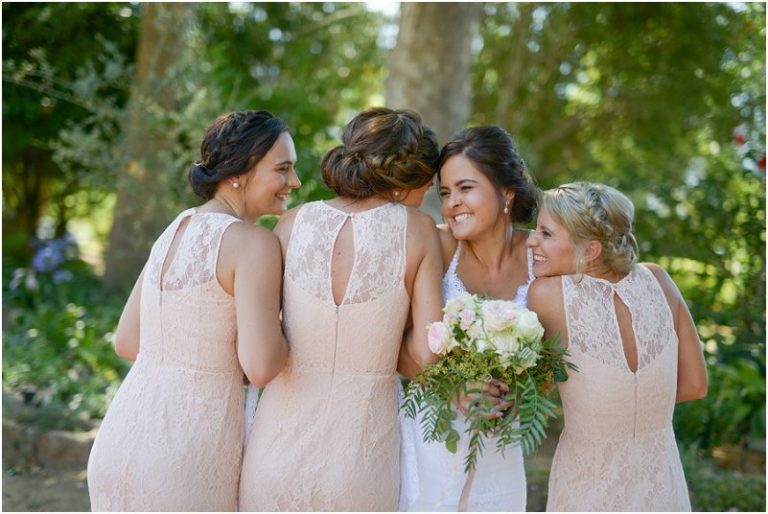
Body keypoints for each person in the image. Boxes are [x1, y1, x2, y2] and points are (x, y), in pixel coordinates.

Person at [87, 110, 299, 511]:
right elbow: (261, 366)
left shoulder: (176, 228)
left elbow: (127, 341)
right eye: (283, 169)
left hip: (120, 437)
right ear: (240, 172)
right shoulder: (253, 243)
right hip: (188, 452)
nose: (295, 182)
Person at [238, 107, 445, 511]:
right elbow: (427, 354)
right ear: (409, 178)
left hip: (274, 450)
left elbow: (260, 335)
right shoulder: (419, 230)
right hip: (362, 458)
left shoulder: (291, 223)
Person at [526, 181, 708, 511]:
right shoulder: (660, 280)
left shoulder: (548, 294)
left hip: (587, 489)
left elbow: (536, 388)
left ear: (590, 250)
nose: (530, 240)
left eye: (546, 233)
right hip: (662, 486)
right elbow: (695, 385)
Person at [398, 126, 539, 511]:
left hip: (499, 442)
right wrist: (454, 388)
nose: (452, 203)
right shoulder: (439, 246)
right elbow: (394, 345)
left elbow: (555, 357)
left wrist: (523, 391)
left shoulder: (538, 254)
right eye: (445, 193)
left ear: (506, 191)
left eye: (465, 188)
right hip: (432, 435)